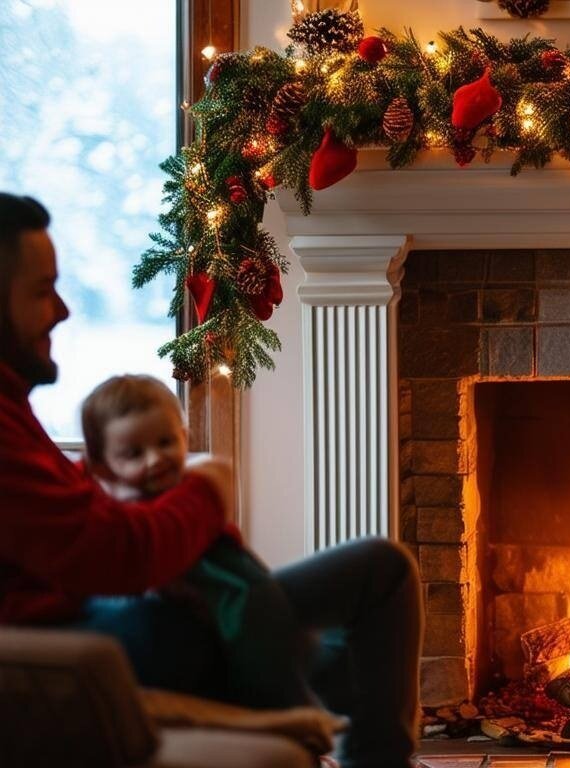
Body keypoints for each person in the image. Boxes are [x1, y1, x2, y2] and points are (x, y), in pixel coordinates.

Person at [0, 192, 423, 768]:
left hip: (126, 603)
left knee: (382, 568)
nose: (63, 310)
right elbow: (120, 554)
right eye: (42, 290)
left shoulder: (11, 405)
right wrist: (208, 485)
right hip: (100, 633)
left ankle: (344, 712)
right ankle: (330, 703)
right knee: (260, 615)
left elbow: (67, 518)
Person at [81, 373, 310, 710]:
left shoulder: (192, 486)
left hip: (242, 597)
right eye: (133, 454)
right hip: (201, 615)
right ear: (102, 468)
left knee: (270, 660)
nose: (155, 459)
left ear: (184, 438)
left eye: (165, 443)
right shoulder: (114, 514)